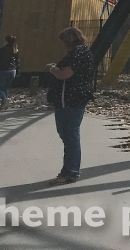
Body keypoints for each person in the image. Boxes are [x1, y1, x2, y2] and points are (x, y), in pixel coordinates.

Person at [46, 27, 95, 185]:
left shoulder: (77, 54)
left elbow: (65, 74)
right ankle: (71, 171)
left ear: (69, 40)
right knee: (69, 134)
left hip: (70, 99)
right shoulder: (85, 52)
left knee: (69, 135)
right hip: (74, 98)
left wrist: (52, 69)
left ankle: (69, 171)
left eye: (64, 41)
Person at [0, 35, 20, 111]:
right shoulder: (15, 50)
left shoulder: (2, 50)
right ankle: (4, 104)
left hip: (4, 70)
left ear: (6, 41)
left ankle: (4, 99)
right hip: (13, 71)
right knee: (5, 87)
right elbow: (18, 62)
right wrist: (18, 71)